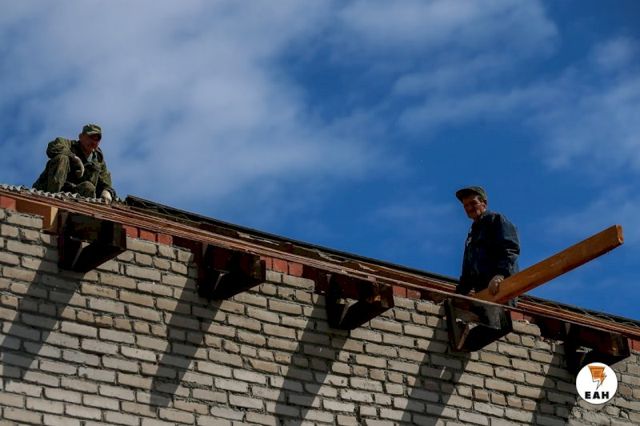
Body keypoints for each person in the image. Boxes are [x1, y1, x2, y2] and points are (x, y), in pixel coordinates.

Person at [455, 186, 520, 298]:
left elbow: (510, 249)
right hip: (483, 293)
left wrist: (500, 275)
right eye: (466, 205)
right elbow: (468, 271)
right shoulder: (472, 235)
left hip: (502, 288)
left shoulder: (496, 220)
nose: (469, 208)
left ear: (484, 203)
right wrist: (459, 294)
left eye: (473, 203)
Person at [33, 124, 115, 203]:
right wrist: (74, 158)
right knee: (62, 158)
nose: (93, 142)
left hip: (73, 195)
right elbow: (52, 147)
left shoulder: (99, 162)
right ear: (81, 137)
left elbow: (106, 183)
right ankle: (53, 199)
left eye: (97, 139)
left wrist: (107, 191)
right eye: (90, 137)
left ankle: (78, 210)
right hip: (48, 189)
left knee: (89, 187)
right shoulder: (68, 145)